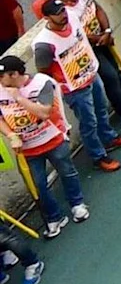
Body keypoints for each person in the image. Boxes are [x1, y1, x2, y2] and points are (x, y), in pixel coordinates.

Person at [0, 53, 93, 231]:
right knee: (38, 185)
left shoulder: (42, 83)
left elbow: (44, 112)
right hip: (27, 149)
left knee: (67, 172)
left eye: (1, 76)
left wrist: (19, 98)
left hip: (53, 139)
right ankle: (54, 217)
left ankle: (77, 204)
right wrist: (11, 135)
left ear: (14, 74)